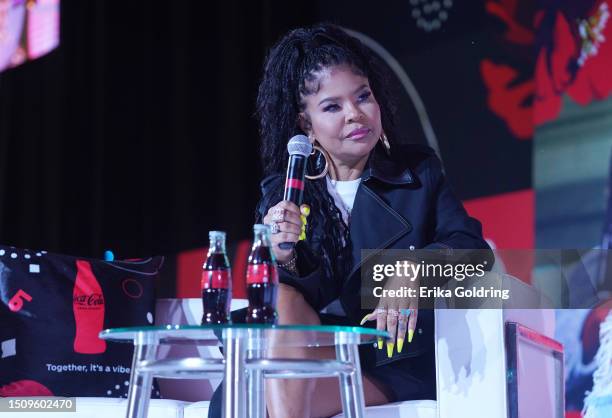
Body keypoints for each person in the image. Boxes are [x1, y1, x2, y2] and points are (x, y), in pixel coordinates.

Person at [208, 23, 492, 418]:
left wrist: (413, 269)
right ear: (306, 125)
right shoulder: (283, 191)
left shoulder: (418, 173)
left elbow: (472, 249)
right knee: (281, 300)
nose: (356, 114)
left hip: (388, 355)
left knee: (259, 398)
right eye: (332, 106)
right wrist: (282, 253)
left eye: (363, 97)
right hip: (309, 348)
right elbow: (283, 300)